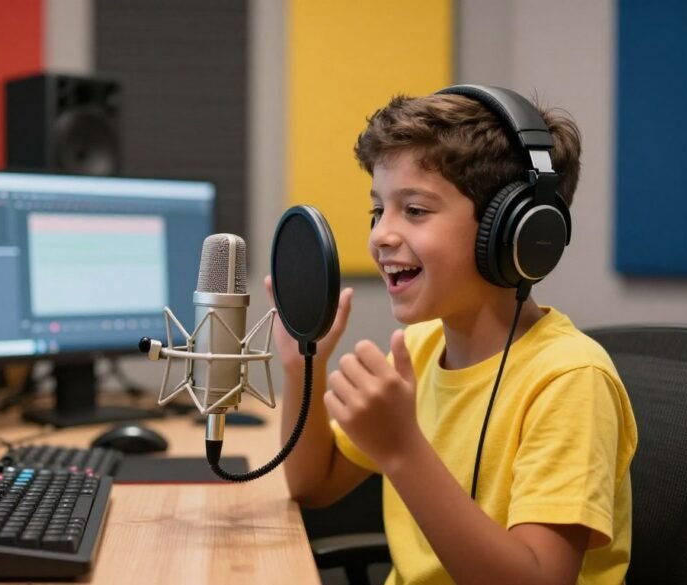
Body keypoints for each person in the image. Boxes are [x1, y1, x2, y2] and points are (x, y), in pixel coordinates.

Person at [266, 86, 638, 585]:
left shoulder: (569, 381)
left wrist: (402, 451)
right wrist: (302, 366)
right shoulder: (419, 353)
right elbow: (314, 484)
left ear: (516, 231)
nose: (380, 235)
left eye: (414, 210)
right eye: (378, 211)